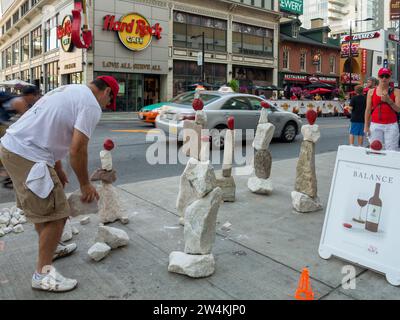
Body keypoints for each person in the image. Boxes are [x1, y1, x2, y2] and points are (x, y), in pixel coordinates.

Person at [0, 76, 119, 292]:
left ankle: (51, 249)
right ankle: (42, 275)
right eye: (108, 102)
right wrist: (85, 185)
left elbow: (47, 127)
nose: (105, 106)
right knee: (58, 214)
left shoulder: (70, 89)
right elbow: (77, 149)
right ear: (107, 92)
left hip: (13, 148)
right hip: (29, 154)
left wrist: (58, 167)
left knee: (43, 209)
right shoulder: (91, 104)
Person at [364, 68, 400, 151]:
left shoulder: (396, 91)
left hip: (391, 125)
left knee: (391, 150)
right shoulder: (371, 91)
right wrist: (366, 126)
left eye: (386, 76)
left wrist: (389, 101)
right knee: (375, 149)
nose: (384, 78)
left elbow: (398, 109)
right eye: (382, 76)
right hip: (375, 124)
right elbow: (368, 110)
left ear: (390, 77)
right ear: (378, 77)